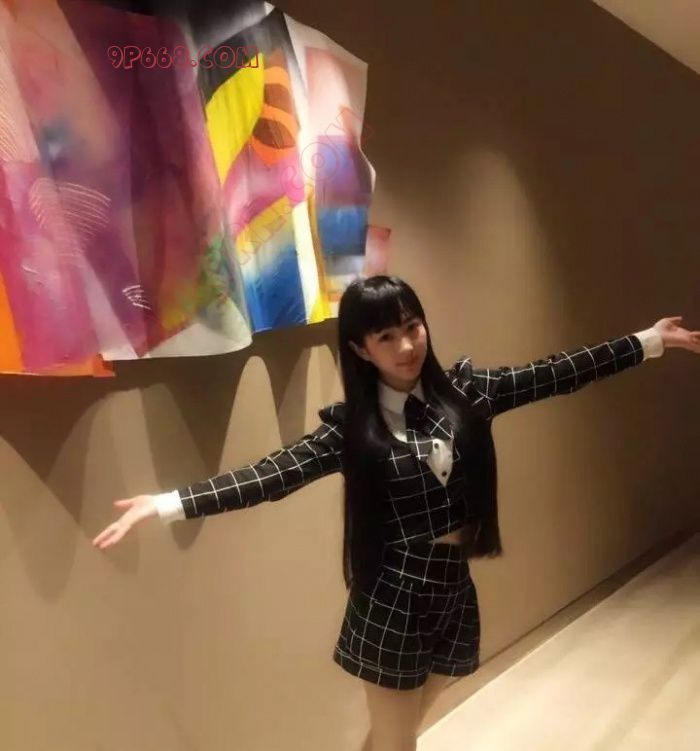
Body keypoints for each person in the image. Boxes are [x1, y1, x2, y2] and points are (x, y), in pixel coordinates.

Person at [93, 275, 700, 751]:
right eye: (386, 336)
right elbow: (268, 477)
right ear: (361, 349)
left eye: (412, 326)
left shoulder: (467, 394)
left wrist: (647, 341)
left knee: (399, 733)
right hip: (392, 597)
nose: (407, 346)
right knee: (398, 741)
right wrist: (166, 503)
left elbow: (556, 374)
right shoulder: (352, 431)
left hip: (453, 587)